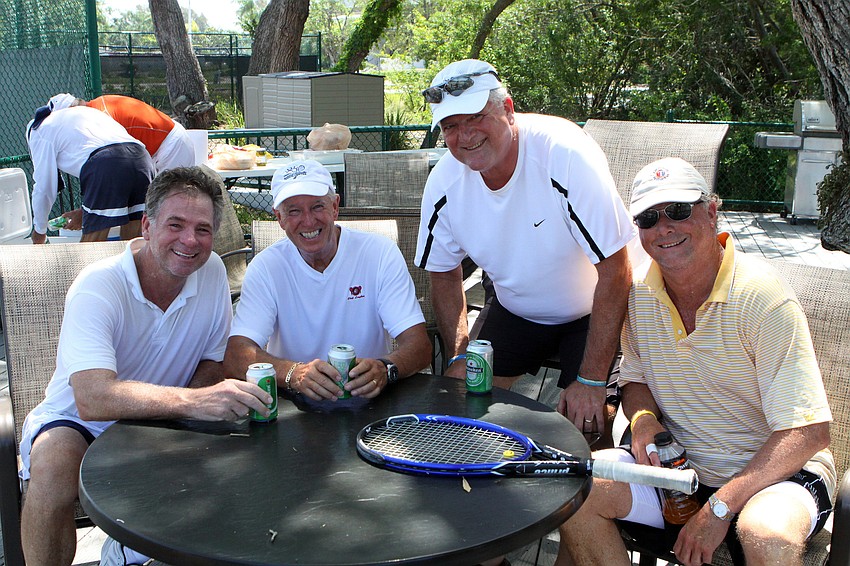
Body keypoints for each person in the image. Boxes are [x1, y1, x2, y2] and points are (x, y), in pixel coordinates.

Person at [559, 157, 835, 566]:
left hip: (775, 477)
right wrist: (643, 420)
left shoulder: (762, 298)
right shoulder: (638, 292)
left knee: (767, 534)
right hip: (680, 472)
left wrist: (719, 508)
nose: (664, 227)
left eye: (678, 210)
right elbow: (635, 381)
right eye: (649, 218)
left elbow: (809, 431)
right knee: (575, 485)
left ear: (711, 212)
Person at [18, 166, 274, 566]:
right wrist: (193, 404)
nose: (190, 240)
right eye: (176, 225)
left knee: (245, 459)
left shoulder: (211, 274)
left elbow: (212, 359)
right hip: (80, 422)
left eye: (203, 229)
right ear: (148, 226)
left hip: (162, 418)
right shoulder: (98, 285)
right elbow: (91, 398)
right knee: (52, 465)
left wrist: (196, 404)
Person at [414, 59, 634, 438]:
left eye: (476, 118)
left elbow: (617, 271)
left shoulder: (563, 155)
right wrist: (457, 353)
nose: (465, 136)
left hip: (592, 309)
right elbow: (443, 273)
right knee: (459, 407)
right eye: (451, 126)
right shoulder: (444, 183)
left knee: (586, 428)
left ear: (509, 110)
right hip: (516, 308)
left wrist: (592, 381)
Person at [224, 159, 432, 400]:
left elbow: (420, 346)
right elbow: (236, 356)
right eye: (294, 211)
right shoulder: (266, 267)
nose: (309, 221)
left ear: (335, 206)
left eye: (317, 206)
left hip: (368, 401)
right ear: (279, 218)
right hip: (295, 405)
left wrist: (385, 368)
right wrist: (294, 373)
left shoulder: (379, 253)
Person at [25, 93, 155, 242]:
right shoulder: (93, 114)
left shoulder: (42, 128)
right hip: (142, 159)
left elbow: (44, 186)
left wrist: (39, 231)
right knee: (134, 245)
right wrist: (85, 213)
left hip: (106, 163)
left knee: (90, 248)